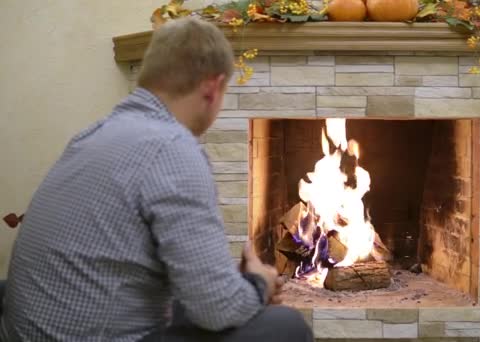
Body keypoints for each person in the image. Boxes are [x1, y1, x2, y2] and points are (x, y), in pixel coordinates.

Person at [0, 17, 313, 342]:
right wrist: (259, 283)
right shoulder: (172, 148)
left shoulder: (91, 135)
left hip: (32, 330)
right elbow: (217, 311)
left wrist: (228, 284)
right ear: (212, 87)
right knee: (284, 326)